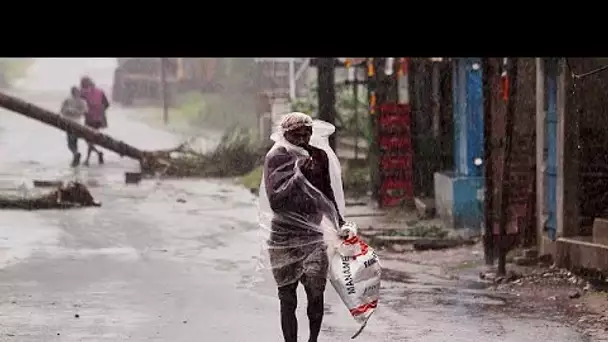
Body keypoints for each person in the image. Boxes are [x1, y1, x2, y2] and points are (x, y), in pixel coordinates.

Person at [263, 112, 345, 342]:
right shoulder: (277, 158)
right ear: (285, 135)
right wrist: (299, 176)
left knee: (316, 292)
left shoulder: (318, 156)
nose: (302, 140)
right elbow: (276, 200)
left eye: (306, 134)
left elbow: (326, 192)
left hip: (312, 234)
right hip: (283, 238)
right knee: (287, 297)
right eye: (296, 136)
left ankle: (313, 339)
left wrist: (339, 221)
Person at [80, 76, 110, 166]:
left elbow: (80, 104)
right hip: (98, 119)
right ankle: (97, 154)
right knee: (91, 139)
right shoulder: (100, 92)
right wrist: (100, 111)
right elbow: (107, 104)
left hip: (89, 119)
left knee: (89, 139)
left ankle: (88, 159)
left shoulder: (84, 93)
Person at [60, 86, 88, 167]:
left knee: (70, 142)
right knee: (74, 140)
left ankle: (75, 154)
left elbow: (62, 111)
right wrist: (77, 112)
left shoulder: (67, 101)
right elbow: (85, 111)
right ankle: (75, 156)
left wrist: (70, 111)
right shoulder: (82, 101)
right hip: (78, 123)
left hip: (69, 123)